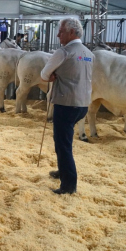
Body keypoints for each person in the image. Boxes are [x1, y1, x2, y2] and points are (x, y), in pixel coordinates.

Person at [40, 18, 93, 195]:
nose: (57, 34)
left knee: (63, 144)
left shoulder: (63, 52)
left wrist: (51, 77)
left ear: (71, 33)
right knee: (65, 141)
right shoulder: (88, 53)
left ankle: (69, 185)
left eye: (61, 31)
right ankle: (63, 171)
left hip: (66, 103)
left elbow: (44, 74)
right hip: (83, 104)